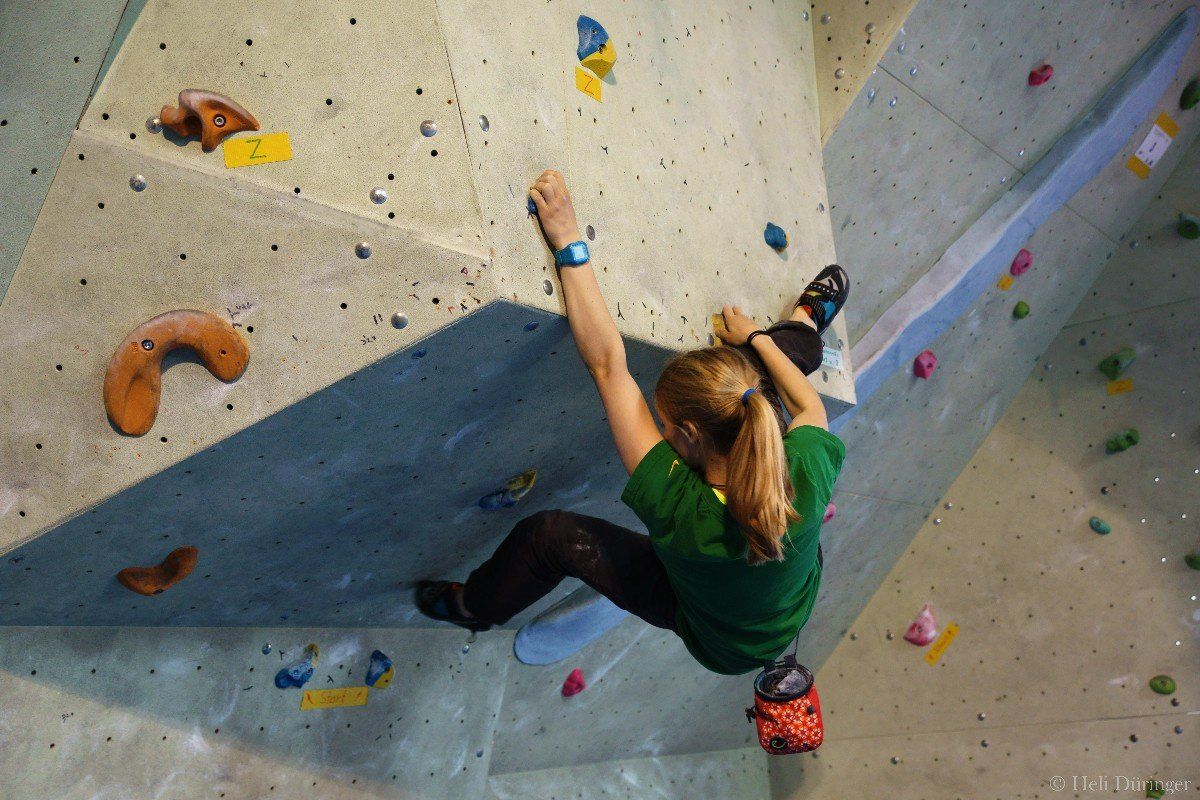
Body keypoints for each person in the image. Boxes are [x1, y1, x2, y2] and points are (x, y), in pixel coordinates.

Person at [416, 170, 848, 675]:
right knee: (774, 365)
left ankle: (475, 606)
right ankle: (803, 324)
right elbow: (809, 408)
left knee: (549, 537)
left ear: (688, 435)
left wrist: (569, 243)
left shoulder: (679, 506)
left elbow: (608, 366)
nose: (657, 430)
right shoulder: (806, 469)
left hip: (715, 636)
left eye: (662, 423)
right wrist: (757, 338)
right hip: (785, 605)